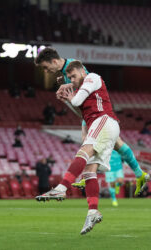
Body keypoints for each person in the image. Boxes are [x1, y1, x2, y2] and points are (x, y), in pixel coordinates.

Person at [35, 48, 149, 197]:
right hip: (91, 115)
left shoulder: (75, 68)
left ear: (54, 61)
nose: (45, 71)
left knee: (90, 145)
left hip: (96, 114)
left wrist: (84, 122)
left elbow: (86, 92)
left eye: (45, 67)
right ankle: (139, 174)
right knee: (117, 144)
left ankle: (79, 179)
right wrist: (66, 85)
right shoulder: (66, 72)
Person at [36, 61, 121, 235]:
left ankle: (61, 188)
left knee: (82, 153)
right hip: (102, 125)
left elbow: (76, 101)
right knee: (89, 171)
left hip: (104, 120)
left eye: (74, 76)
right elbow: (79, 111)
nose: (73, 80)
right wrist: (68, 97)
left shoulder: (92, 77)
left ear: (82, 71)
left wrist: (67, 91)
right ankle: (93, 211)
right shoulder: (84, 89)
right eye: (70, 77)